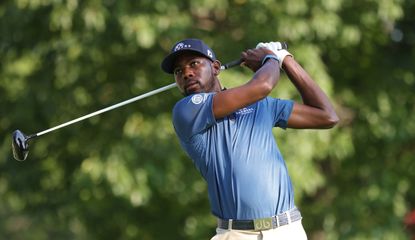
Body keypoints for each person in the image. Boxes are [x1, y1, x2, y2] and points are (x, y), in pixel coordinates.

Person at [161, 38, 339, 239]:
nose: (186, 73)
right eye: (178, 71)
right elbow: (263, 85)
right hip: (236, 234)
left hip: (287, 230)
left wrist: (286, 60)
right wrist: (271, 58)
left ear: (216, 67)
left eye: (194, 63)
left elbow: (326, 116)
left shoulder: (261, 105)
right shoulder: (186, 110)